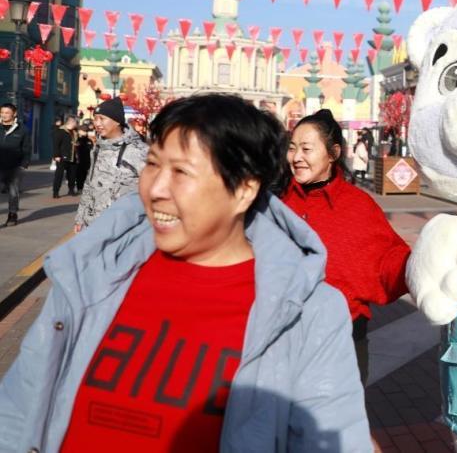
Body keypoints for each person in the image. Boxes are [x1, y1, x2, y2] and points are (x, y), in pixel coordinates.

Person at [0, 94, 371, 452]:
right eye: (153, 164)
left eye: (181, 172)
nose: (156, 189)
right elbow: (18, 408)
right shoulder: (92, 271)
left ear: (244, 190)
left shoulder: (308, 313)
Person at [283, 109, 411, 385]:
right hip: (281, 344)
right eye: (292, 148)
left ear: (333, 153)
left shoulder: (358, 206)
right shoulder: (277, 201)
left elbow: (391, 262)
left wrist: (427, 264)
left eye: (306, 149)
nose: (296, 157)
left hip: (342, 347)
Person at [74, 97, 148, 233]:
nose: (97, 123)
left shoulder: (139, 151)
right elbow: (90, 183)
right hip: (93, 224)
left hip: (123, 228)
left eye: (102, 119)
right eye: (95, 118)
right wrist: (80, 218)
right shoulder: (98, 148)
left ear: (117, 121)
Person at [0, 104, 30, 228]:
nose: (4, 115)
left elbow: (26, 148)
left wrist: (24, 164)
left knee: (13, 192)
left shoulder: (22, 130)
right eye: (2, 112)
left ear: (14, 114)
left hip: (15, 166)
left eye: (7, 112)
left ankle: (12, 214)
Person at [51, 116, 79, 198]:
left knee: (72, 175)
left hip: (73, 157)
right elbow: (56, 144)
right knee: (59, 175)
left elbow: (75, 142)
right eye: (76, 122)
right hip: (62, 157)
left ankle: (71, 190)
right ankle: (55, 192)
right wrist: (56, 155)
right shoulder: (60, 131)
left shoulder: (74, 132)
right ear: (71, 122)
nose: (77, 124)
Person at [74, 126, 93, 194]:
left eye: (85, 131)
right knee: (79, 175)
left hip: (87, 160)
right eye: (83, 131)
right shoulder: (76, 139)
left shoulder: (89, 140)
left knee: (86, 175)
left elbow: (91, 148)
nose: (84, 132)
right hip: (78, 160)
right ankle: (79, 188)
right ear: (79, 131)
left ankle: (85, 188)